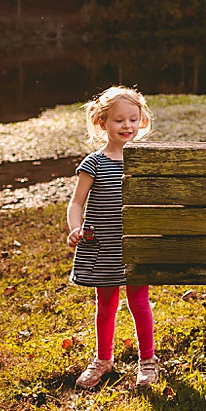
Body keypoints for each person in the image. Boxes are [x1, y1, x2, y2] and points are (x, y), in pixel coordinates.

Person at [66, 86, 160, 390]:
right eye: (119, 120)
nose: (127, 126)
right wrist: (74, 227)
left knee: (139, 301)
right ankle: (103, 359)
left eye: (133, 119)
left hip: (134, 245)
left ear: (142, 120)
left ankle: (148, 360)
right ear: (102, 122)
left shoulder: (144, 160)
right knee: (105, 305)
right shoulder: (94, 163)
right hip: (102, 246)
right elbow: (76, 202)